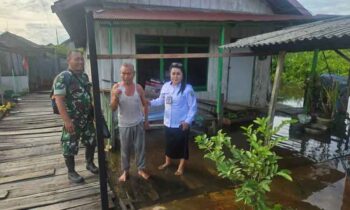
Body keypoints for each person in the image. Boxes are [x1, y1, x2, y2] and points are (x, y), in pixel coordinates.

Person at [53, 50, 98, 183]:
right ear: (69, 60)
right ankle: (71, 172)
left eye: (81, 59)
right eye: (76, 59)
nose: (80, 62)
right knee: (70, 144)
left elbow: (88, 96)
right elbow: (59, 99)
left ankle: (89, 163)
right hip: (72, 119)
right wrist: (66, 120)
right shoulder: (63, 77)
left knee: (91, 140)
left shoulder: (84, 76)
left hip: (86, 117)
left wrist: (93, 113)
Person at [150, 62, 197, 176]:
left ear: (182, 75)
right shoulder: (166, 86)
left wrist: (187, 121)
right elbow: (161, 100)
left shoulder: (187, 89)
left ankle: (181, 167)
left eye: (178, 74)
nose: (175, 76)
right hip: (167, 122)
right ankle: (167, 162)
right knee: (169, 144)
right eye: (173, 73)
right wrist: (149, 103)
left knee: (182, 146)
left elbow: (193, 107)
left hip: (181, 124)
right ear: (169, 74)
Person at [110, 63, 150, 182]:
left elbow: (145, 104)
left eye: (128, 73)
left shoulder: (138, 88)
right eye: (123, 73)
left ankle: (141, 169)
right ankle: (125, 171)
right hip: (124, 124)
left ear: (133, 74)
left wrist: (146, 120)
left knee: (140, 148)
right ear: (120, 73)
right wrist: (115, 97)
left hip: (138, 122)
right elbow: (112, 108)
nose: (126, 76)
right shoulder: (116, 88)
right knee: (125, 149)